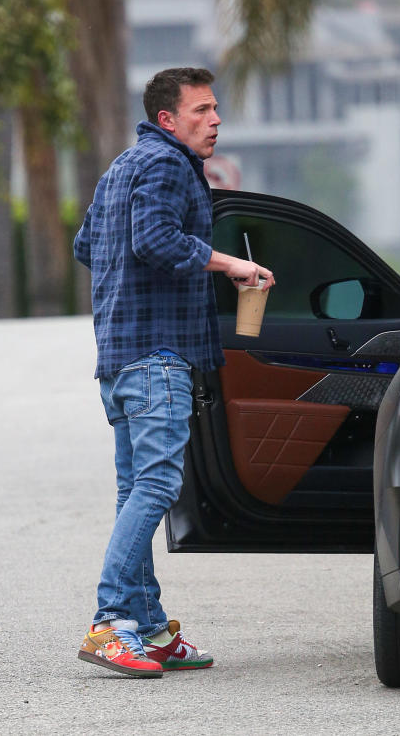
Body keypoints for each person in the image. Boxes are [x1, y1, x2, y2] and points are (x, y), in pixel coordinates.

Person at [73, 67, 274, 678]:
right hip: (157, 356)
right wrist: (232, 264)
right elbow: (157, 241)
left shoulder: (123, 166)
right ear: (168, 119)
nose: (215, 121)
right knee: (157, 489)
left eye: (216, 110)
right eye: (202, 111)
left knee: (137, 490)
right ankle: (110, 624)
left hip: (120, 357)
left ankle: (150, 629)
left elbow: (88, 245)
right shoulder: (165, 165)